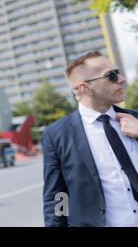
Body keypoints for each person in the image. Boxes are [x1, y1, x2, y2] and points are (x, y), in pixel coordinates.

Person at [43, 51, 138, 227]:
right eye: (111, 75)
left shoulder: (136, 120)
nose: (122, 79)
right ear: (84, 88)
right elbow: (58, 195)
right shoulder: (57, 135)